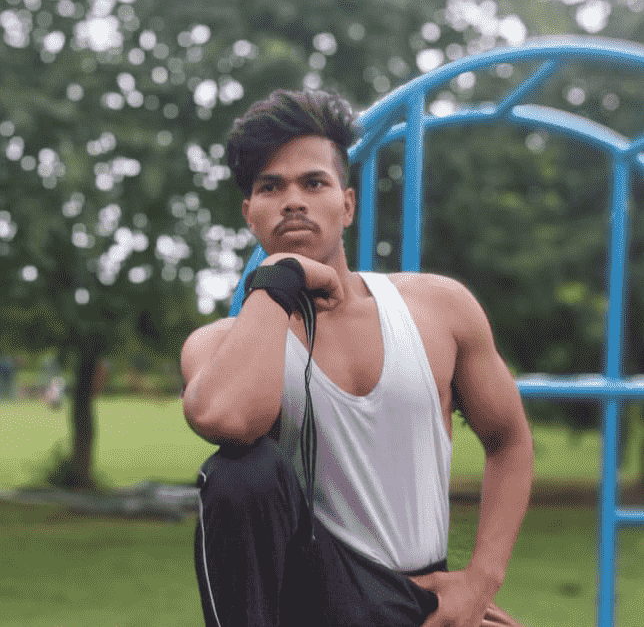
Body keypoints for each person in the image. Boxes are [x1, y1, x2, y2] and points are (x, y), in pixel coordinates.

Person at [181, 89, 534, 627]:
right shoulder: (217, 345)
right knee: (240, 472)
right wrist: (279, 281)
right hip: (305, 603)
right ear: (250, 214)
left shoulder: (438, 308)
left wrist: (479, 581)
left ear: (346, 204)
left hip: (417, 597)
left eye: (313, 183)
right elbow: (228, 421)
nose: (293, 201)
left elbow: (509, 439)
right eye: (271, 187)